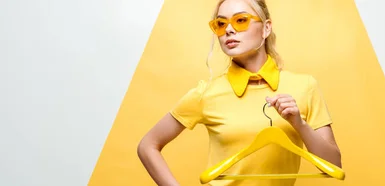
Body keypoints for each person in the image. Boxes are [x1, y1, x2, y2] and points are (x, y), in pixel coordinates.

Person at [136, 0, 342, 185]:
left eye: (241, 20)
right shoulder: (206, 93)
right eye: (221, 24)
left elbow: (333, 165)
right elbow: (148, 145)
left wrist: (299, 123)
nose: (229, 30)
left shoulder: (305, 86)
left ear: (266, 28)